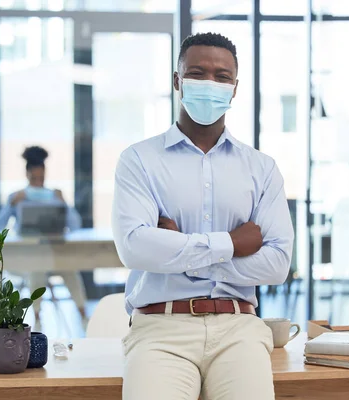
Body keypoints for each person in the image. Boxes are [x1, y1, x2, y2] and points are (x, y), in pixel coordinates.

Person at [112, 33, 294, 400]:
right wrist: (232, 243)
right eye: (198, 73)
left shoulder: (261, 169)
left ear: (235, 88)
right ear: (177, 81)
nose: (210, 84)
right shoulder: (139, 161)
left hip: (239, 327)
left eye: (222, 76)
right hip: (160, 329)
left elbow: (277, 264)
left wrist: (180, 252)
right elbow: (135, 248)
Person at [0, 146, 87, 324]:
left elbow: (76, 225)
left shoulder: (54, 195)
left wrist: (63, 204)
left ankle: (83, 316)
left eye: (41, 178)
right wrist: (10, 205)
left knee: (71, 269)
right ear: (27, 175)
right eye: (34, 178)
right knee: (37, 267)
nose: (38, 182)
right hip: (26, 257)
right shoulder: (17, 197)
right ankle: (37, 319)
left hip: (54, 255)